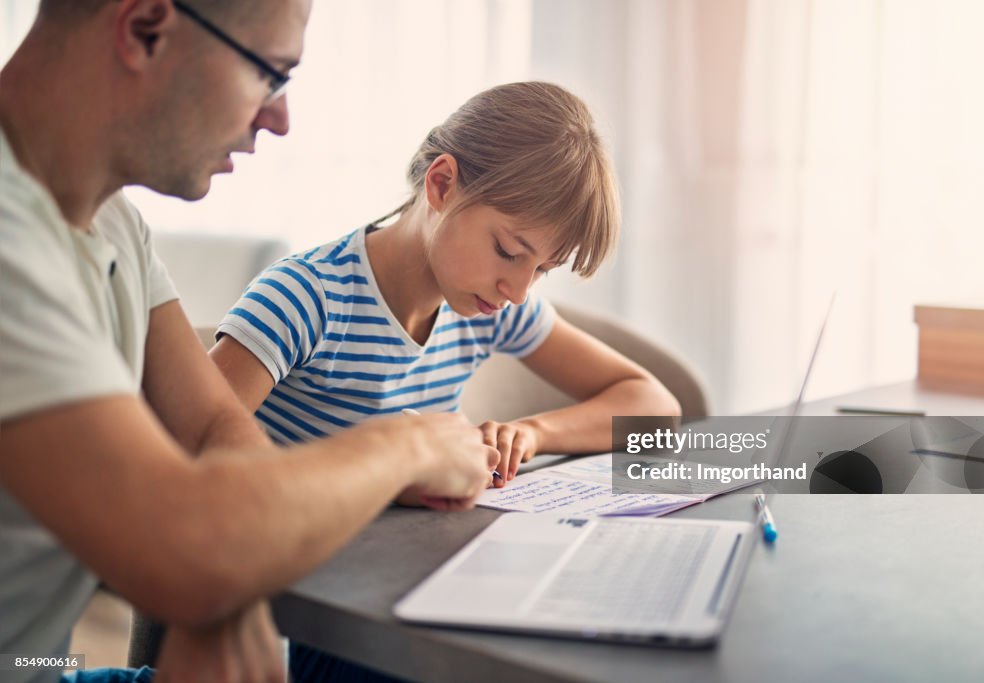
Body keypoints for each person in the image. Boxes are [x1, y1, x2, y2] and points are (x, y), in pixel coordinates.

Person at [0, 2, 498, 682]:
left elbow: (213, 424)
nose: (279, 118)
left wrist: (227, 588)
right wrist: (412, 441)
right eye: (271, 73)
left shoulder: (115, 224)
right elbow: (188, 538)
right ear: (146, 29)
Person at [208, 81, 682, 679]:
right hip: (304, 617)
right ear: (440, 184)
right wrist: (386, 474)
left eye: (543, 269)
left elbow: (653, 406)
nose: (519, 290)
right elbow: (186, 458)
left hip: (412, 590)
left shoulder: (487, 307)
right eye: (510, 251)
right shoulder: (307, 298)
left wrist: (532, 433)